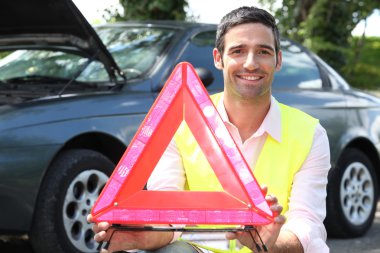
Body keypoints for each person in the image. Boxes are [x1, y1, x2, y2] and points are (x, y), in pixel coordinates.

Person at [88, 6, 330, 253]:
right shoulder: (181, 121)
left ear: (278, 60)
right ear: (218, 58)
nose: (250, 63)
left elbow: (307, 224)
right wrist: (144, 237)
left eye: (263, 52)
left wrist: (269, 245)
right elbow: (168, 212)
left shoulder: (309, 134)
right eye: (238, 51)